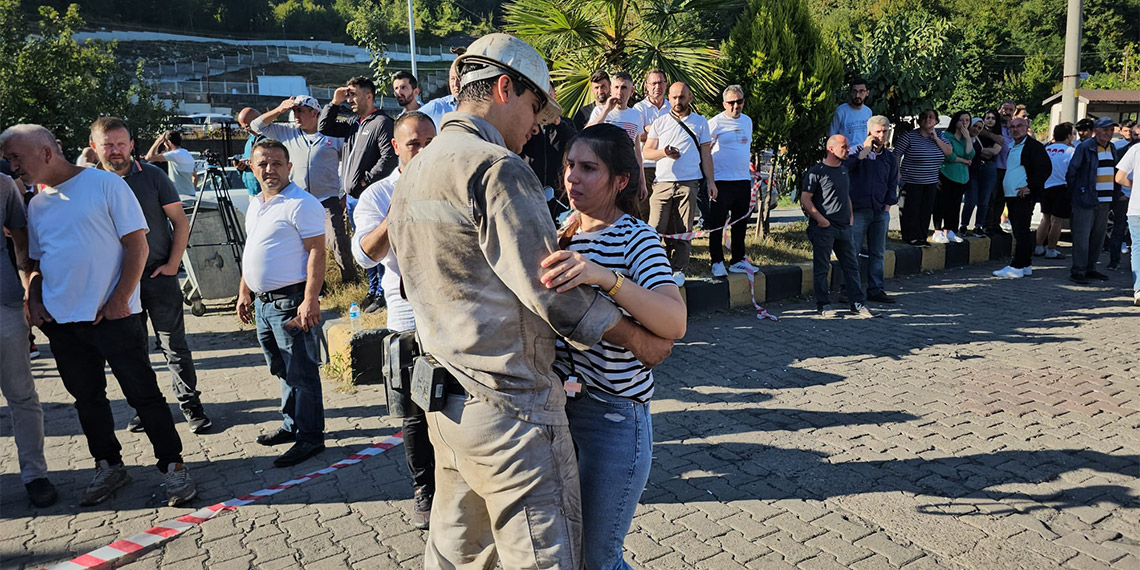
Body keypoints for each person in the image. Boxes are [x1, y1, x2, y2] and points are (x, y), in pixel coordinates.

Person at [386, 33, 673, 568]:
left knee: (455, 555)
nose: (538, 125)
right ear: (503, 88)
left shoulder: (418, 168)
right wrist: (640, 339)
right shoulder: (496, 168)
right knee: (545, 557)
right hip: (511, 415)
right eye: (535, 107)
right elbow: (554, 295)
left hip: (446, 407)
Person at [2, 124, 196, 507]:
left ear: (44, 152)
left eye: (15, 158)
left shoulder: (105, 185)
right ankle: (108, 465)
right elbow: (37, 262)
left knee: (144, 395)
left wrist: (120, 299)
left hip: (115, 315)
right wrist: (34, 298)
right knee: (87, 400)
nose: (11, 167)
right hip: (63, 323)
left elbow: (136, 245)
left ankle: (174, 468)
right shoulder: (38, 203)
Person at [542, 123, 685, 569]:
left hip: (613, 417)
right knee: (571, 549)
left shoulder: (634, 237)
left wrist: (605, 278)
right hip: (559, 414)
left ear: (621, 180)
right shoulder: (561, 232)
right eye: (569, 166)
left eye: (589, 168)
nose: (572, 178)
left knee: (600, 558)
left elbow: (674, 321)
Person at [88, 117, 212, 434]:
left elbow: (180, 223)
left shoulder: (154, 176)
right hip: (116, 286)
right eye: (108, 145)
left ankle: (191, 406)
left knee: (174, 347)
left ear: (131, 144)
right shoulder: (88, 184)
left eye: (121, 143)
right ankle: (147, 409)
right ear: (94, 147)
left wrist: (173, 265)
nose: (115, 151)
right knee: (134, 351)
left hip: (158, 277)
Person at [351, 111, 437, 529]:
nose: (422, 151)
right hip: (408, 314)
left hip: (454, 310)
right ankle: (424, 488)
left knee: (456, 400)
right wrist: (400, 205)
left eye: (429, 142)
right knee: (415, 407)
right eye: (413, 144)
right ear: (397, 149)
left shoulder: (451, 181)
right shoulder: (378, 195)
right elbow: (365, 254)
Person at [237, 140, 327, 468]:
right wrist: (244, 290)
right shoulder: (258, 203)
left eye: (277, 163)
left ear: (289, 167)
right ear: (252, 167)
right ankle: (292, 425)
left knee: (301, 372)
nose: (270, 169)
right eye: (263, 164)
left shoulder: (301, 204)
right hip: (263, 304)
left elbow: (318, 251)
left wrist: (310, 300)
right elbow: (253, 250)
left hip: (290, 303)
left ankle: (310, 437)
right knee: (281, 369)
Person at [251, 96, 354, 284]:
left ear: (315, 113)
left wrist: (345, 193)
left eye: (300, 111)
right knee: (301, 245)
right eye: (294, 111)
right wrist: (280, 109)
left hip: (327, 198)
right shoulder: (288, 133)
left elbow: (348, 162)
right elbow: (257, 126)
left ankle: (349, 281)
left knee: (337, 240)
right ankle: (313, 284)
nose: (296, 115)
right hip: (298, 200)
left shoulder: (331, 134)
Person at [0, 170, 55, 508]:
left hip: (4, 305)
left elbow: (21, 239)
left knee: (21, 396)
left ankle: (35, 475)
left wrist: (27, 292)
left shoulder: (3, 184)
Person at [320, 75, 394, 295]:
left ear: (369, 96)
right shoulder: (354, 124)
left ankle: (381, 291)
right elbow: (324, 127)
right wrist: (334, 102)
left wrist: (365, 181)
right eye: (348, 94)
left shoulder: (381, 122)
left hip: (369, 197)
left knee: (376, 245)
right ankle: (373, 289)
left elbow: (388, 158)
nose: (349, 99)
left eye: (353, 94)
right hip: (353, 199)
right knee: (363, 245)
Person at [643, 82, 718, 286]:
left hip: (688, 183)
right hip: (662, 183)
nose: (678, 101)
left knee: (684, 229)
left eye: (682, 97)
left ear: (690, 97)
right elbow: (647, 152)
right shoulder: (660, 122)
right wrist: (664, 153)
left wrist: (711, 181)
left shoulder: (700, 122)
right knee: (654, 229)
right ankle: (652, 267)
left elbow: (706, 154)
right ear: (669, 97)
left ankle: (679, 269)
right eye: (674, 97)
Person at [802, 135, 874, 318]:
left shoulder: (843, 170)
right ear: (831, 149)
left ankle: (857, 304)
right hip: (824, 228)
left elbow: (846, 196)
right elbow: (805, 199)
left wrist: (850, 218)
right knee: (822, 267)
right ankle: (823, 305)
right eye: (844, 147)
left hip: (844, 228)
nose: (848, 150)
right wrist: (820, 220)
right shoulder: (816, 172)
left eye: (848, 146)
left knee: (851, 266)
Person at [706, 84, 757, 277]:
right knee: (717, 223)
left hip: (742, 180)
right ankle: (716, 260)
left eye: (739, 101)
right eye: (731, 102)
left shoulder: (747, 121)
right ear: (724, 104)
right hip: (721, 180)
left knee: (740, 223)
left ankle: (737, 260)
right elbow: (706, 151)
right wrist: (710, 180)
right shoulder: (715, 123)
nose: (736, 106)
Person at [846, 115, 898, 304]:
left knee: (878, 252)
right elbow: (847, 168)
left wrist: (887, 207)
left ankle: (876, 289)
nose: (882, 135)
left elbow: (892, 182)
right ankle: (849, 289)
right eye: (878, 131)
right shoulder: (855, 151)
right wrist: (864, 151)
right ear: (869, 132)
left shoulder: (889, 157)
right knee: (853, 250)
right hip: (859, 209)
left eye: (885, 131)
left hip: (879, 210)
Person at [992, 117, 1051, 278]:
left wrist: (1030, 187)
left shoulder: (1033, 146)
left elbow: (1045, 168)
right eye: (1012, 127)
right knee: (1019, 231)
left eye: (1019, 126)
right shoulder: (1013, 145)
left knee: (1021, 231)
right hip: (1012, 195)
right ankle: (1025, 264)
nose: (1015, 129)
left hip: (1022, 196)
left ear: (1027, 128)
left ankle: (1017, 266)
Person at [1066, 116, 1121, 284]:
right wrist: (1078, 193)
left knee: (1098, 237)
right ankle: (1078, 270)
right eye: (1105, 129)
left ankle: (1091, 268)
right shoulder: (1085, 147)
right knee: (1082, 237)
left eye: (1111, 130)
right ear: (1096, 131)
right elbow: (1072, 172)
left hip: (1105, 200)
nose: (1109, 133)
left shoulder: (1112, 148)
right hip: (1086, 198)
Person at [587, 71, 648, 201]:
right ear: (611, 90)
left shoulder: (636, 115)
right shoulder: (600, 111)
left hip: (626, 171)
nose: (619, 91)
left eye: (624, 87)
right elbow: (587, 132)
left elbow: (637, 152)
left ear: (631, 91)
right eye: (616, 87)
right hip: (604, 171)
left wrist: (642, 182)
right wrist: (606, 110)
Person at [895, 109, 953, 246]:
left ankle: (922, 237)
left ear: (936, 121)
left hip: (931, 181)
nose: (928, 119)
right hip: (911, 181)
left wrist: (936, 139)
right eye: (925, 117)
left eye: (931, 117)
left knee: (926, 211)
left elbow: (949, 152)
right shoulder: (909, 136)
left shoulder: (940, 136)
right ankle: (910, 237)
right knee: (911, 210)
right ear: (919, 121)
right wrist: (898, 173)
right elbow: (896, 154)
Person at [632, 69, 671, 220]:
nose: (657, 86)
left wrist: (650, 130)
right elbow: (638, 135)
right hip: (646, 166)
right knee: (645, 209)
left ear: (666, 85)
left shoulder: (671, 107)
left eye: (660, 82)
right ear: (647, 86)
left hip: (667, 166)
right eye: (653, 83)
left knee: (666, 210)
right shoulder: (639, 108)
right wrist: (661, 133)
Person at [1035, 122, 1076, 259]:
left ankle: (1038, 247)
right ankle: (1051, 249)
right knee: (1056, 221)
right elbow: (1073, 171)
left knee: (1045, 218)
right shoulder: (1070, 151)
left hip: (1045, 186)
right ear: (1069, 135)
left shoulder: (1046, 149)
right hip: (1061, 187)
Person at [932, 111, 974, 244]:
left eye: (967, 120)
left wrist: (967, 138)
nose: (965, 123)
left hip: (961, 177)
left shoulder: (966, 139)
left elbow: (970, 154)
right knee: (941, 203)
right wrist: (963, 161)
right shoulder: (946, 136)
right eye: (962, 120)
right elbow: (949, 156)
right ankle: (937, 230)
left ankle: (949, 230)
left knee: (955, 204)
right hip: (947, 174)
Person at [960, 112, 1003, 237]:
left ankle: (978, 226)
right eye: (987, 118)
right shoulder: (968, 137)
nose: (977, 129)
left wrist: (978, 151)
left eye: (993, 118)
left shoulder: (998, 137)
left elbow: (993, 152)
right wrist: (979, 151)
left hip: (988, 169)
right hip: (973, 170)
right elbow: (970, 152)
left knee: (984, 201)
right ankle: (963, 225)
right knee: (971, 200)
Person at [983, 101, 1017, 235]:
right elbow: (981, 131)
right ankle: (986, 225)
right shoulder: (994, 126)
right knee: (991, 197)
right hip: (994, 166)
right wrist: (994, 136)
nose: (1007, 112)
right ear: (999, 110)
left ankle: (995, 224)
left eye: (1010, 110)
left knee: (1001, 199)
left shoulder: (1013, 128)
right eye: (1005, 109)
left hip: (1008, 169)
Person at [1113, 139, 1139, 305]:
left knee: (1137, 247)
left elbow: (1119, 177)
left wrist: (1134, 185)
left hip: (1137, 207)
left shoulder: (1136, 149)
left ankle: (1138, 288)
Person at [143, 129, 197, 196]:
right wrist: (192, 190)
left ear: (169, 142)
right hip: (191, 195)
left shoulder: (174, 154)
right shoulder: (188, 154)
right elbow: (195, 176)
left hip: (179, 197)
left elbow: (148, 157)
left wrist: (158, 141)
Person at [419, 58, 461, 129]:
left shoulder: (480, 106)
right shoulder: (437, 106)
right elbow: (411, 119)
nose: (455, 84)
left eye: (460, 79)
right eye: (452, 79)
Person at [829, 78, 872, 143]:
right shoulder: (840, 112)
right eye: (854, 91)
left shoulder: (868, 112)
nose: (857, 95)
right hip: (847, 152)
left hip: (865, 152)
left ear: (867, 93)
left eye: (861, 91)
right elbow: (831, 137)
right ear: (850, 92)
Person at [236, 107, 265, 195]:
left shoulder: (270, 139)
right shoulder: (250, 140)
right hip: (252, 192)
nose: (246, 130)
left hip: (267, 192)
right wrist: (240, 167)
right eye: (243, 128)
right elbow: (246, 160)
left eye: (248, 126)